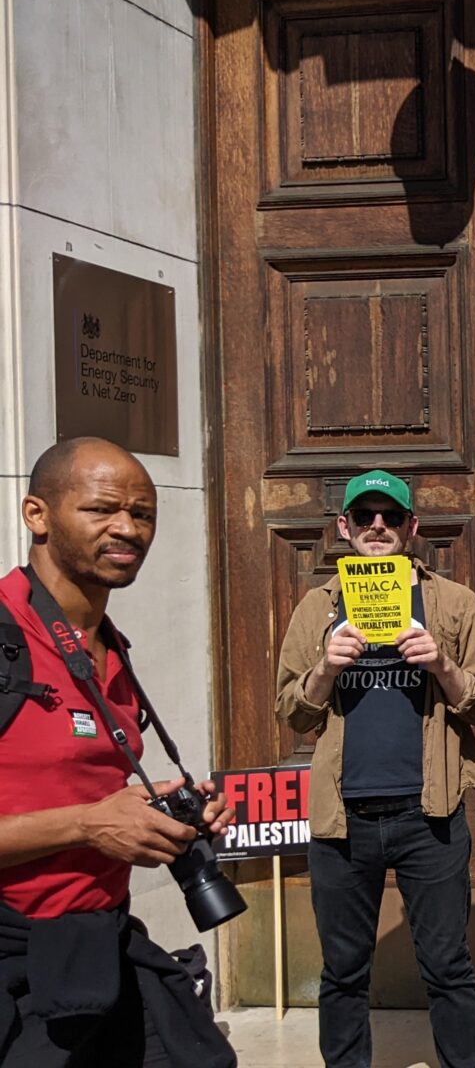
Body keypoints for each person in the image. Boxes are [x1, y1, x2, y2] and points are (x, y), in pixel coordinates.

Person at [0, 437, 236, 1067]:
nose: (127, 528)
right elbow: (86, 814)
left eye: (143, 513)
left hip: (100, 941)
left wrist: (154, 812)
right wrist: (89, 824)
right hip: (12, 960)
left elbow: (77, 782)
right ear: (37, 514)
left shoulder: (107, 645)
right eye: (102, 509)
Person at [275, 470, 475, 1068]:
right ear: (343, 528)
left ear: (412, 528)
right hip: (343, 819)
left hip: (431, 814)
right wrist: (324, 669)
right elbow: (290, 711)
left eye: (391, 516)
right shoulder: (318, 607)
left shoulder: (453, 602)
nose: (378, 526)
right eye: (365, 516)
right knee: (343, 971)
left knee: (448, 966)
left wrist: (442, 665)